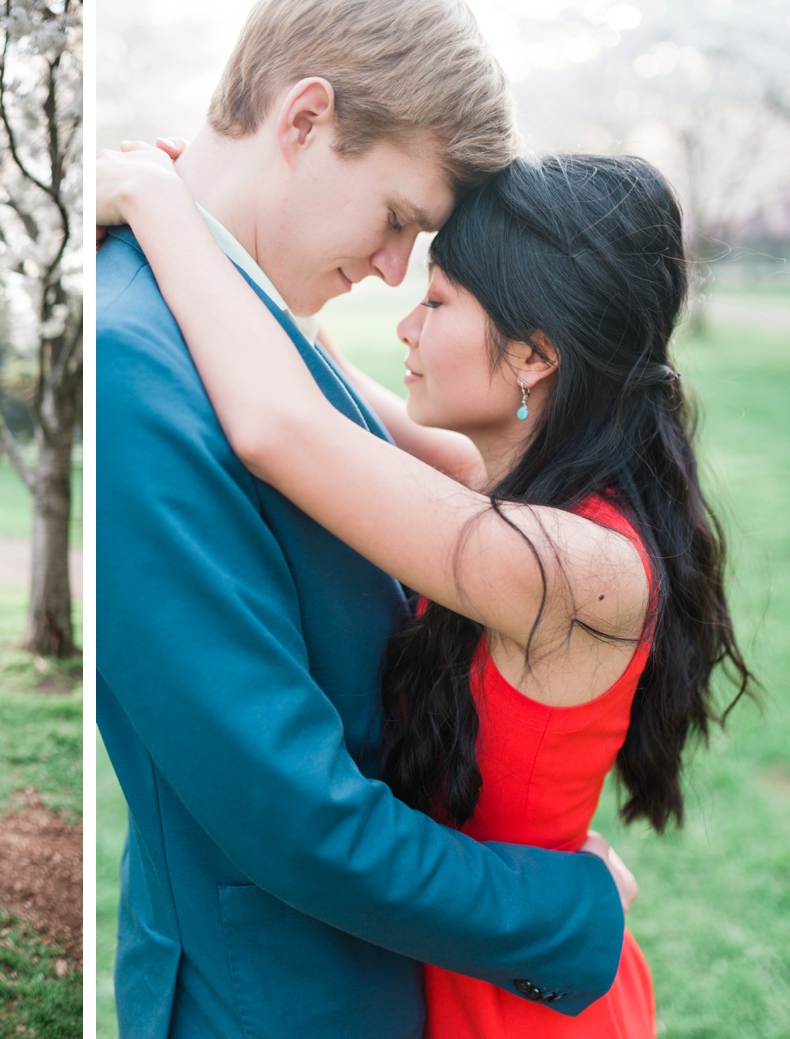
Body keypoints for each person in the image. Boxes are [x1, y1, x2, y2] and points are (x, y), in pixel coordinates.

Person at [97, 144, 754, 1034]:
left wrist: (151, 195)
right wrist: (220, 211)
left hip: (513, 999)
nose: (406, 325)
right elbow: (302, 360)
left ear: (532, 357)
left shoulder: (568, 567)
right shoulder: (502, 491)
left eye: (436, 301)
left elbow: (277, 426)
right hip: (465, 954)